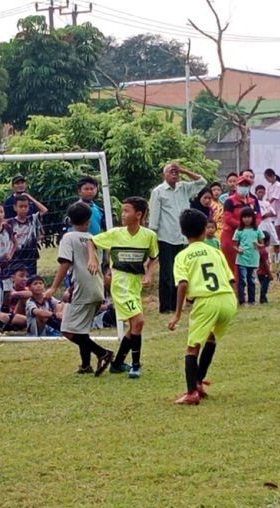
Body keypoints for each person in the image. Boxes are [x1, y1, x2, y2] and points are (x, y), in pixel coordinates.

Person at [167, 209, 237, 405]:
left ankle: (192, 393)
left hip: (206, 301)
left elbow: (182, 284)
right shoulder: (216, 252)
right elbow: (231, 279)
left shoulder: (183, 256)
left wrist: (177, 314)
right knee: (211, 338)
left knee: (192, 347)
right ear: (205, 230)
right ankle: (198, 382)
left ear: (182, 231)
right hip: (227, 299)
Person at [89, 197, 158, 378]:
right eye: (122, 211)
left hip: (135, 284)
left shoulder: (149, 236)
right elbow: (91, 241)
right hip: (120, 284)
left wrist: (149, 274)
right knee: (139, 321)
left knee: (134, 325)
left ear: (139, 214)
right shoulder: (116, 233)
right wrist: (92, 258)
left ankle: (118, 362)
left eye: (127, 211)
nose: (123, 214)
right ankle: (135, 365)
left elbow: (154, 257)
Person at [45, 201, 114, 375]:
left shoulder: (68, 238)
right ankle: (85, 365)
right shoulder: (91, 237)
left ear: (69, 220)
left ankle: (102, 353)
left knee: (67, 330)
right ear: (88, 222)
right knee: (81, 328)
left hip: (82, 288)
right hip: (97, 288)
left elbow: (65, 263)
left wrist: (53, 287)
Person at [149, 163, 206, 314]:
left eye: (176, 172)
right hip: (166, 237)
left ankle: (176, 305)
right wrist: (154, 238)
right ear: (164, 175)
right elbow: (154, 217)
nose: (174, 174)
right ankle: (165, 306)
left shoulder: (184, 188)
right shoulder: (158, 191)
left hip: (183, 238)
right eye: (171, 171)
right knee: (166, 273)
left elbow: (202, 182)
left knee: (179, 273)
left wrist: (184, 170)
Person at [222, 172, 260, 277]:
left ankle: (242, 286)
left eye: (246, 185)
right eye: (241, 185)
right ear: (236, 186)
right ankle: (235, 287)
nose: (244, 187)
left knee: (245, 265)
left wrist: (253, 226)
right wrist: (243, 226)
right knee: (232, 266)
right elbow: (227, 218)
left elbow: (258, 216)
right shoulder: (229, 201)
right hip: (231, 236)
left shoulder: (252, 201)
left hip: (246, 237)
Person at [8, 194, 48, 276]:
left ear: (29, 207)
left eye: (25, 206)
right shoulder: (10, 223)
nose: (23, 209)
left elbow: (44, 210)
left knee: (31, 279)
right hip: (16, 257)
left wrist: (29, 197)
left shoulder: (32, 219)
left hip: (31, 257)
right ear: (15, 207)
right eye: (21, 206)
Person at [233, 207, 264, 306]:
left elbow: (262, 244)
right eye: (244, 217)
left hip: (253, 259)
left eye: (249, 217)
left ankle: (252, 300)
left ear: (253, 218)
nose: (246, 219)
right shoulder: (239, 230)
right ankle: (242, 300)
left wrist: (257, 244)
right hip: (242, 259)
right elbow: (234, 244)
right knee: (242, 280)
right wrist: (238, 250)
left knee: (251, 280)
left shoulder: (257, 230)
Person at [265, 169, 280, 264]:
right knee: (271, 235)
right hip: (272, 213)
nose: (267, 180)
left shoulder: (278, 185)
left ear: (273, 176)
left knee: (277, 235)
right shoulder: (269, 186)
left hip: (279, 213)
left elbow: (274, 198)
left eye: (268, 178)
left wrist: (266, 203)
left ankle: (278, 257)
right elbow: (268, 197)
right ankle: (271, 256)